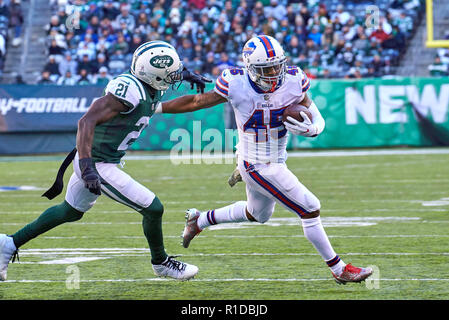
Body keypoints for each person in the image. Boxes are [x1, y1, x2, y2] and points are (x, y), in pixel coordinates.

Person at [0, 40, 212, 282]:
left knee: (70, 211)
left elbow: (171, 105)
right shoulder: (129, 91)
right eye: (170, 73)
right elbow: (85, 122)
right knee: (153, 208)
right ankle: (161, 263)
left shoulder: (149, 86)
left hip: (99, 159)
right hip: (97, 162)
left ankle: (8, 243)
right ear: (153, 74)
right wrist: (88, 167)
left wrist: (196, 81)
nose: (174, 77)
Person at [175, 35, 374, 285]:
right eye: (265, 68)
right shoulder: (235, 82)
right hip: (256, 163)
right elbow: (197, 101)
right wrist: (157, 108)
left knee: (257, 214)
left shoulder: (293, 79)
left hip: (276, 158)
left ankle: (199, 220)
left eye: (276, 65)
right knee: (310, 207)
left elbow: (316, 116)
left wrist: (313, 130)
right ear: (250, 68)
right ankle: (339, 269)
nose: (273, 72)